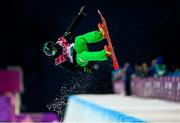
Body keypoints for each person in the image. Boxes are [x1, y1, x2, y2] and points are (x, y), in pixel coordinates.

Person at [43, 23, 111, 73]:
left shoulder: (61, 42)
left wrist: (80, 14)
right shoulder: (59, 59)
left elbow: (70, 29)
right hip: (78, 61)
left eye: (54, 50)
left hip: (78, 48)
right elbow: (72, 69)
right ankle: (105, 54)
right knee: (83, 55)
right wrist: (84, 69)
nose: (55, 52)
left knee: (78, 39)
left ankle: (101, 34)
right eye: (53, 53)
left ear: (54, 45)